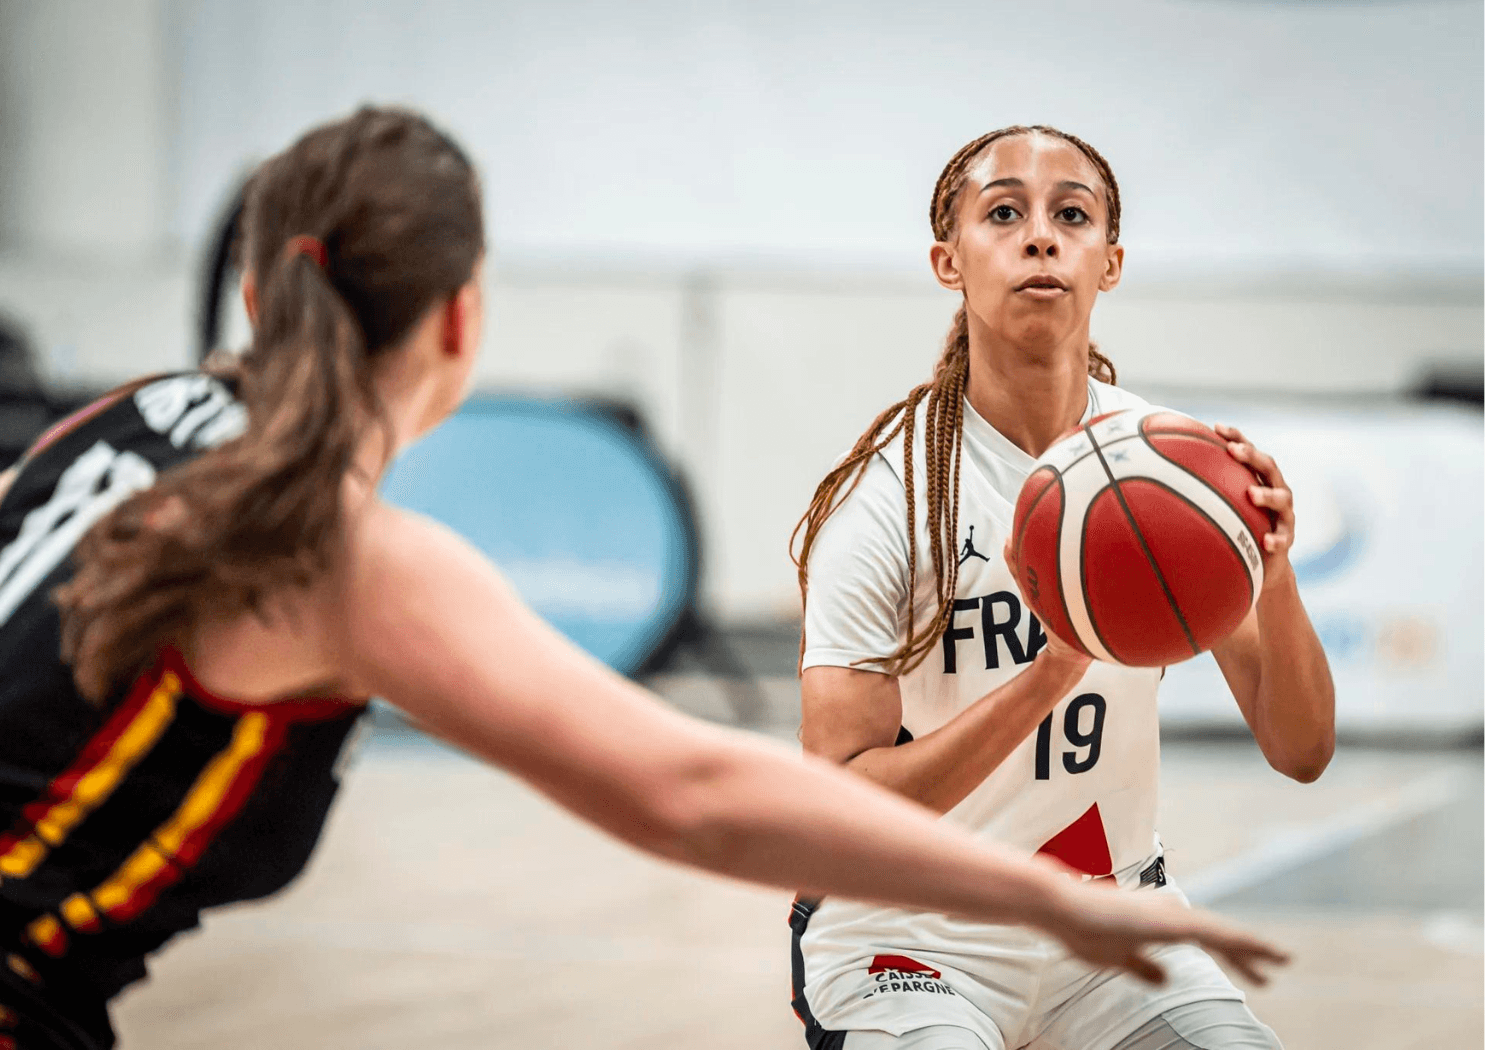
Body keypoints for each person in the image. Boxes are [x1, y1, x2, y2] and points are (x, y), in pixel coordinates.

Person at [0, 108, 1285, 1050]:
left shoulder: (115, 421)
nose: (1040, 240)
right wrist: (1052, 904)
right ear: (463, 320)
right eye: (1003, 212)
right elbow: (698, 791)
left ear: (253, 285)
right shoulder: (352, 563)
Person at [788, 126, 1335, 1050]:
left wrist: (1270, 575)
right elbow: (835, 812)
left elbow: (1302, 749)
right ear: (947, 261)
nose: (1039, 236)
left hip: (1109, 921)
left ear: (1108, 262)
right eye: (1003, 212)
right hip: (909, 937)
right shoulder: (885, 500)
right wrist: (1047, 675)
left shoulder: (1181, 477)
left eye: (1070, 215)